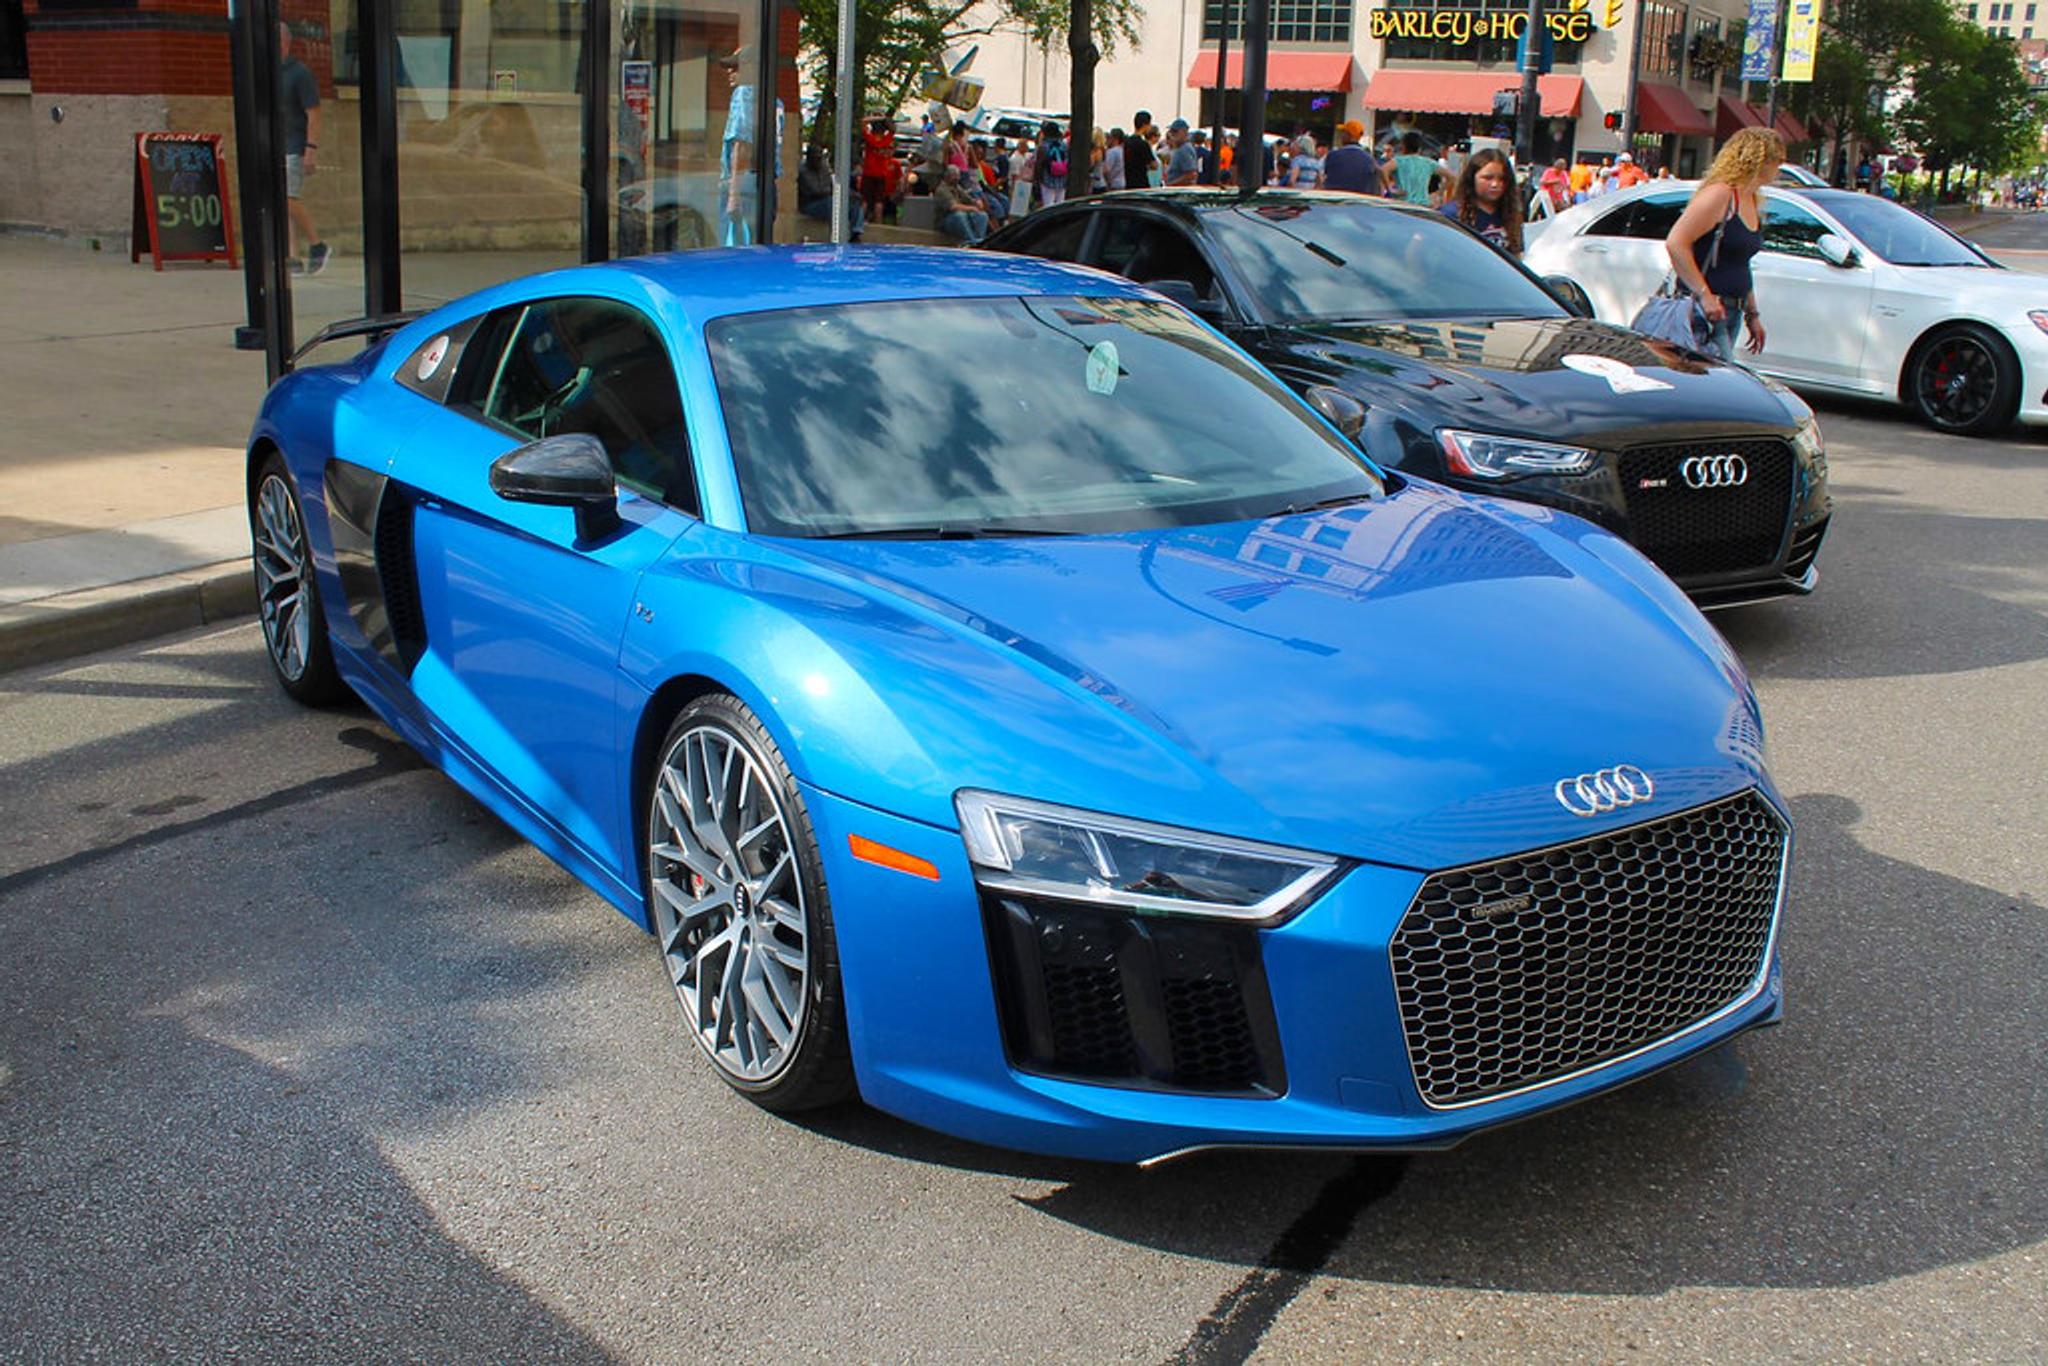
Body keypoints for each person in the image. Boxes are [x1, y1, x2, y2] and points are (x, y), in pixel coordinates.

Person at [1665, 126, 1785, 362]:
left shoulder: (1750, 198)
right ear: (1759, 160)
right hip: (1703, 311)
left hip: (1731, 310)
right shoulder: (1721, 195)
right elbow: (1676, 243)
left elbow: (1740, 261)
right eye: (1777, 161)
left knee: (1716, 379)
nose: (1780, 168)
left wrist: (1752, 313)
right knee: (1710, 380)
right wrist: (1705, 295)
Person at [276, 23, 330, 275]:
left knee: (288, 198)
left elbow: (314, 114)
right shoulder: (273, 73)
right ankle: (292, 257)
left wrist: (311, 148)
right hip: (278, 144)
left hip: (295, 145)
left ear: (283, 42)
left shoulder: (300, 73)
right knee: (284, 202)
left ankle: (317, 245)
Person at [718, 46, 782, 245]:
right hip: (765, 184)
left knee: (735, 254)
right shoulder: (775, 101)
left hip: (745, 183)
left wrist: (733, 193)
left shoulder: (744, 94)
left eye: (736, 67)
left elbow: (742, 144)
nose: (730, 72)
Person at [1438, 147, 1523, 254]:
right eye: (1488, 178)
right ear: (1472, 178)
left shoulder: (1511, 216)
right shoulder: (1451, 214)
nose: (1495, 184)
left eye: (1502, 179)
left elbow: (1516, 256)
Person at [796, 146, 862, 240]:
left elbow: (832, 185)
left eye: (820, 158)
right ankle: (836, 235)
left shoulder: (824, 169)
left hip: (827, 199)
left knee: (855, 202)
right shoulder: (803, 172)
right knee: (832, 203)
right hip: (811, 204)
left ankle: (856, 232)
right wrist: (837, 193)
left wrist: (850, 194)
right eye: (815, 158)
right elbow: (816, 191)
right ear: (809, 158)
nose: (818, 161)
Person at [933, 165, 990, 244]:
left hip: (962, 215)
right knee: (959, 216)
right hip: (945, 220)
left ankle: (979, 240)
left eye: (958, 175)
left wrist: (976, 202)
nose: (957, 178)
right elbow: (953, 206)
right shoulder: (942, 190)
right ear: (947, 176)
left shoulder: (957, 187)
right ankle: (970, 241)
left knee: (982, 216)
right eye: (954, 176)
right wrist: (971, 208)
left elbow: (968, 199)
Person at [1322, 120, 1379, 194]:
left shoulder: (1334, 155)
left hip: (1335, 199)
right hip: (1360, 200)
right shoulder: (1369, 159)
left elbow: (1326, 175)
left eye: (1343, 133)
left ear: (1348, 135)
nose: (1341, 136)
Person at [860, 116, 896, 224]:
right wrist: (886, 120)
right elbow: (893, 129)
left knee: (865, 200)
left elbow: (863, 121)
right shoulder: (887, 140)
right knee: (879, 201)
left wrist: (878, 117)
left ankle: (860, 221)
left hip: (868, 173)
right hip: (881, 174)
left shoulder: (870, 138)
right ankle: (878, 223)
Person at [1391, 132, 1437, 205]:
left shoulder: (1399, 161)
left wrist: (1390, 190)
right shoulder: (1429, 162)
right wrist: (1438, 193)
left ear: (1404, 145)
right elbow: (1451, 177)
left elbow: (1383, 170)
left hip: (1403, 202)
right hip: (1423, 203)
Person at [967, 140, 1009, 222]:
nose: (981, 156)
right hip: (978, 191)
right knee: (995, 206)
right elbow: (981, 183)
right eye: (978, 154)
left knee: (1004, 200)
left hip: (984, 189)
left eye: (981, 153)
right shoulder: (973, 166)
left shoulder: (981, 165)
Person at [1034, 121, 1069, 206]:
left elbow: (1039, 165)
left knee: (1048, 204)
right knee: (1060, 204)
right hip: (1062, 178)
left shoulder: (1044, 146)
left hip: (1048, 178)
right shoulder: (1063, 145)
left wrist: (1037, 179)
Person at [1125, 111, 1157, 190]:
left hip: (1129, 183)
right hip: (1141, 183)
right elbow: (1154, 165)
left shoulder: (1127, 142)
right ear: (1144, 125)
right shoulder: (1143, 144)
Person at [1163, 118, 1201, 186]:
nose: (1172, 134)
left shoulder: (1185, 149)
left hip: (1181, 193)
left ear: (1184, 132)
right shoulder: (1180, 148)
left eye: (1175, 131)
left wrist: (1170, 184)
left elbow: (1191, 175)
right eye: (1171, 131)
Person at [1088, 127, 1108, 193]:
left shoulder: (1096, 152)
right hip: (1102, 182)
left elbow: (1090, 165)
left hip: (1095, 184)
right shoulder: (1103, 151)